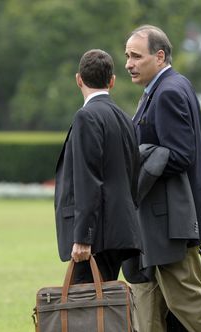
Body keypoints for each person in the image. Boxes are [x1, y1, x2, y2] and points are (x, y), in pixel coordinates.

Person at [122, 25, 201, 331]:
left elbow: (180, 155)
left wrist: (134, 165)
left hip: (173, 222)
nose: (128, 63)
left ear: (159, 57)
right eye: (127, 56)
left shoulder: (169, 91)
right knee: (153, 309)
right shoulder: (164, 87)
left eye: (136, 56)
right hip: (163, 222)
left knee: (187, 302)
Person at [54, 49, 141, 283]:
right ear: (111, 81)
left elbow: (87, 180)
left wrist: (83, 237)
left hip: (97, 238)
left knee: (84, 312)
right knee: (101, 310)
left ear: (78, 79)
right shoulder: (125, 118)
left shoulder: (87, 116)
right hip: (119, 233)